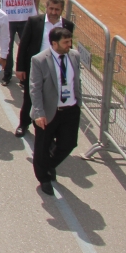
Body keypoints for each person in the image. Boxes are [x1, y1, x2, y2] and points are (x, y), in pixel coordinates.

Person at [29, 27, 82, 195]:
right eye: (66, 42)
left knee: (69, 143)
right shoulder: (39, 60)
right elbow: (35, 89)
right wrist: (39, 113)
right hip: (49, 111)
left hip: (71, 109)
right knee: (42, 147)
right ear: (54, 43)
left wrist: (78, 103)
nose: (69, 45)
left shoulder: (74, 56)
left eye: (70, 41)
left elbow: (76, 80)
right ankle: (44, 178)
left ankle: (50, 164)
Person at [15, 0, 74, 137]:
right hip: (36, 66)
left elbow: (68, 46)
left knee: (52, 99)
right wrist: (20, 67)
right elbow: (24, 45)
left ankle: (48, 129)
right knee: (30, 97)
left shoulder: (68, 25)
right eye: (51, 8)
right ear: (46, 7)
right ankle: (24, 124)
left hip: (57, 68)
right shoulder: (35, 21)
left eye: (57, 9)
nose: (54, 12)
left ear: (62, 10)